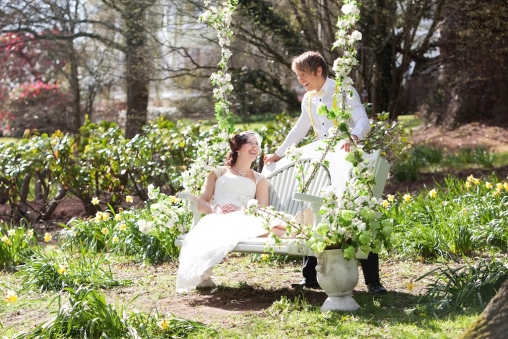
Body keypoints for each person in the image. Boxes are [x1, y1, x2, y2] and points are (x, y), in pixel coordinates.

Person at [264, 51, 387, 294]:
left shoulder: (343, 91)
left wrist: (354, 136)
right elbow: (299, 129)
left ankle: (373, 280)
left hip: (345, 158)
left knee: (359, 212)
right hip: (321, 161)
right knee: (315, 212)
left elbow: (363, 120)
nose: (300, 80)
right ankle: (309, 277)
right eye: (298, 75)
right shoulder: (308, 99)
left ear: (318, 71)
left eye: (303, 75)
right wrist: (278, 154)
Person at [176, 131, 285, 293]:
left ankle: (290, 226)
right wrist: (215, 209)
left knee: (281, 229)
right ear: (238, 147)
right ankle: (202, 273)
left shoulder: (259, 178)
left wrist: (240, 209)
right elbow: (202, 203)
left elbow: (263, 208)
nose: (255, 147)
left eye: (257, 144)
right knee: (278, 230)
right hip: (219, 217)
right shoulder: (218, 172)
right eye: (251, 143)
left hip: (245, 215)